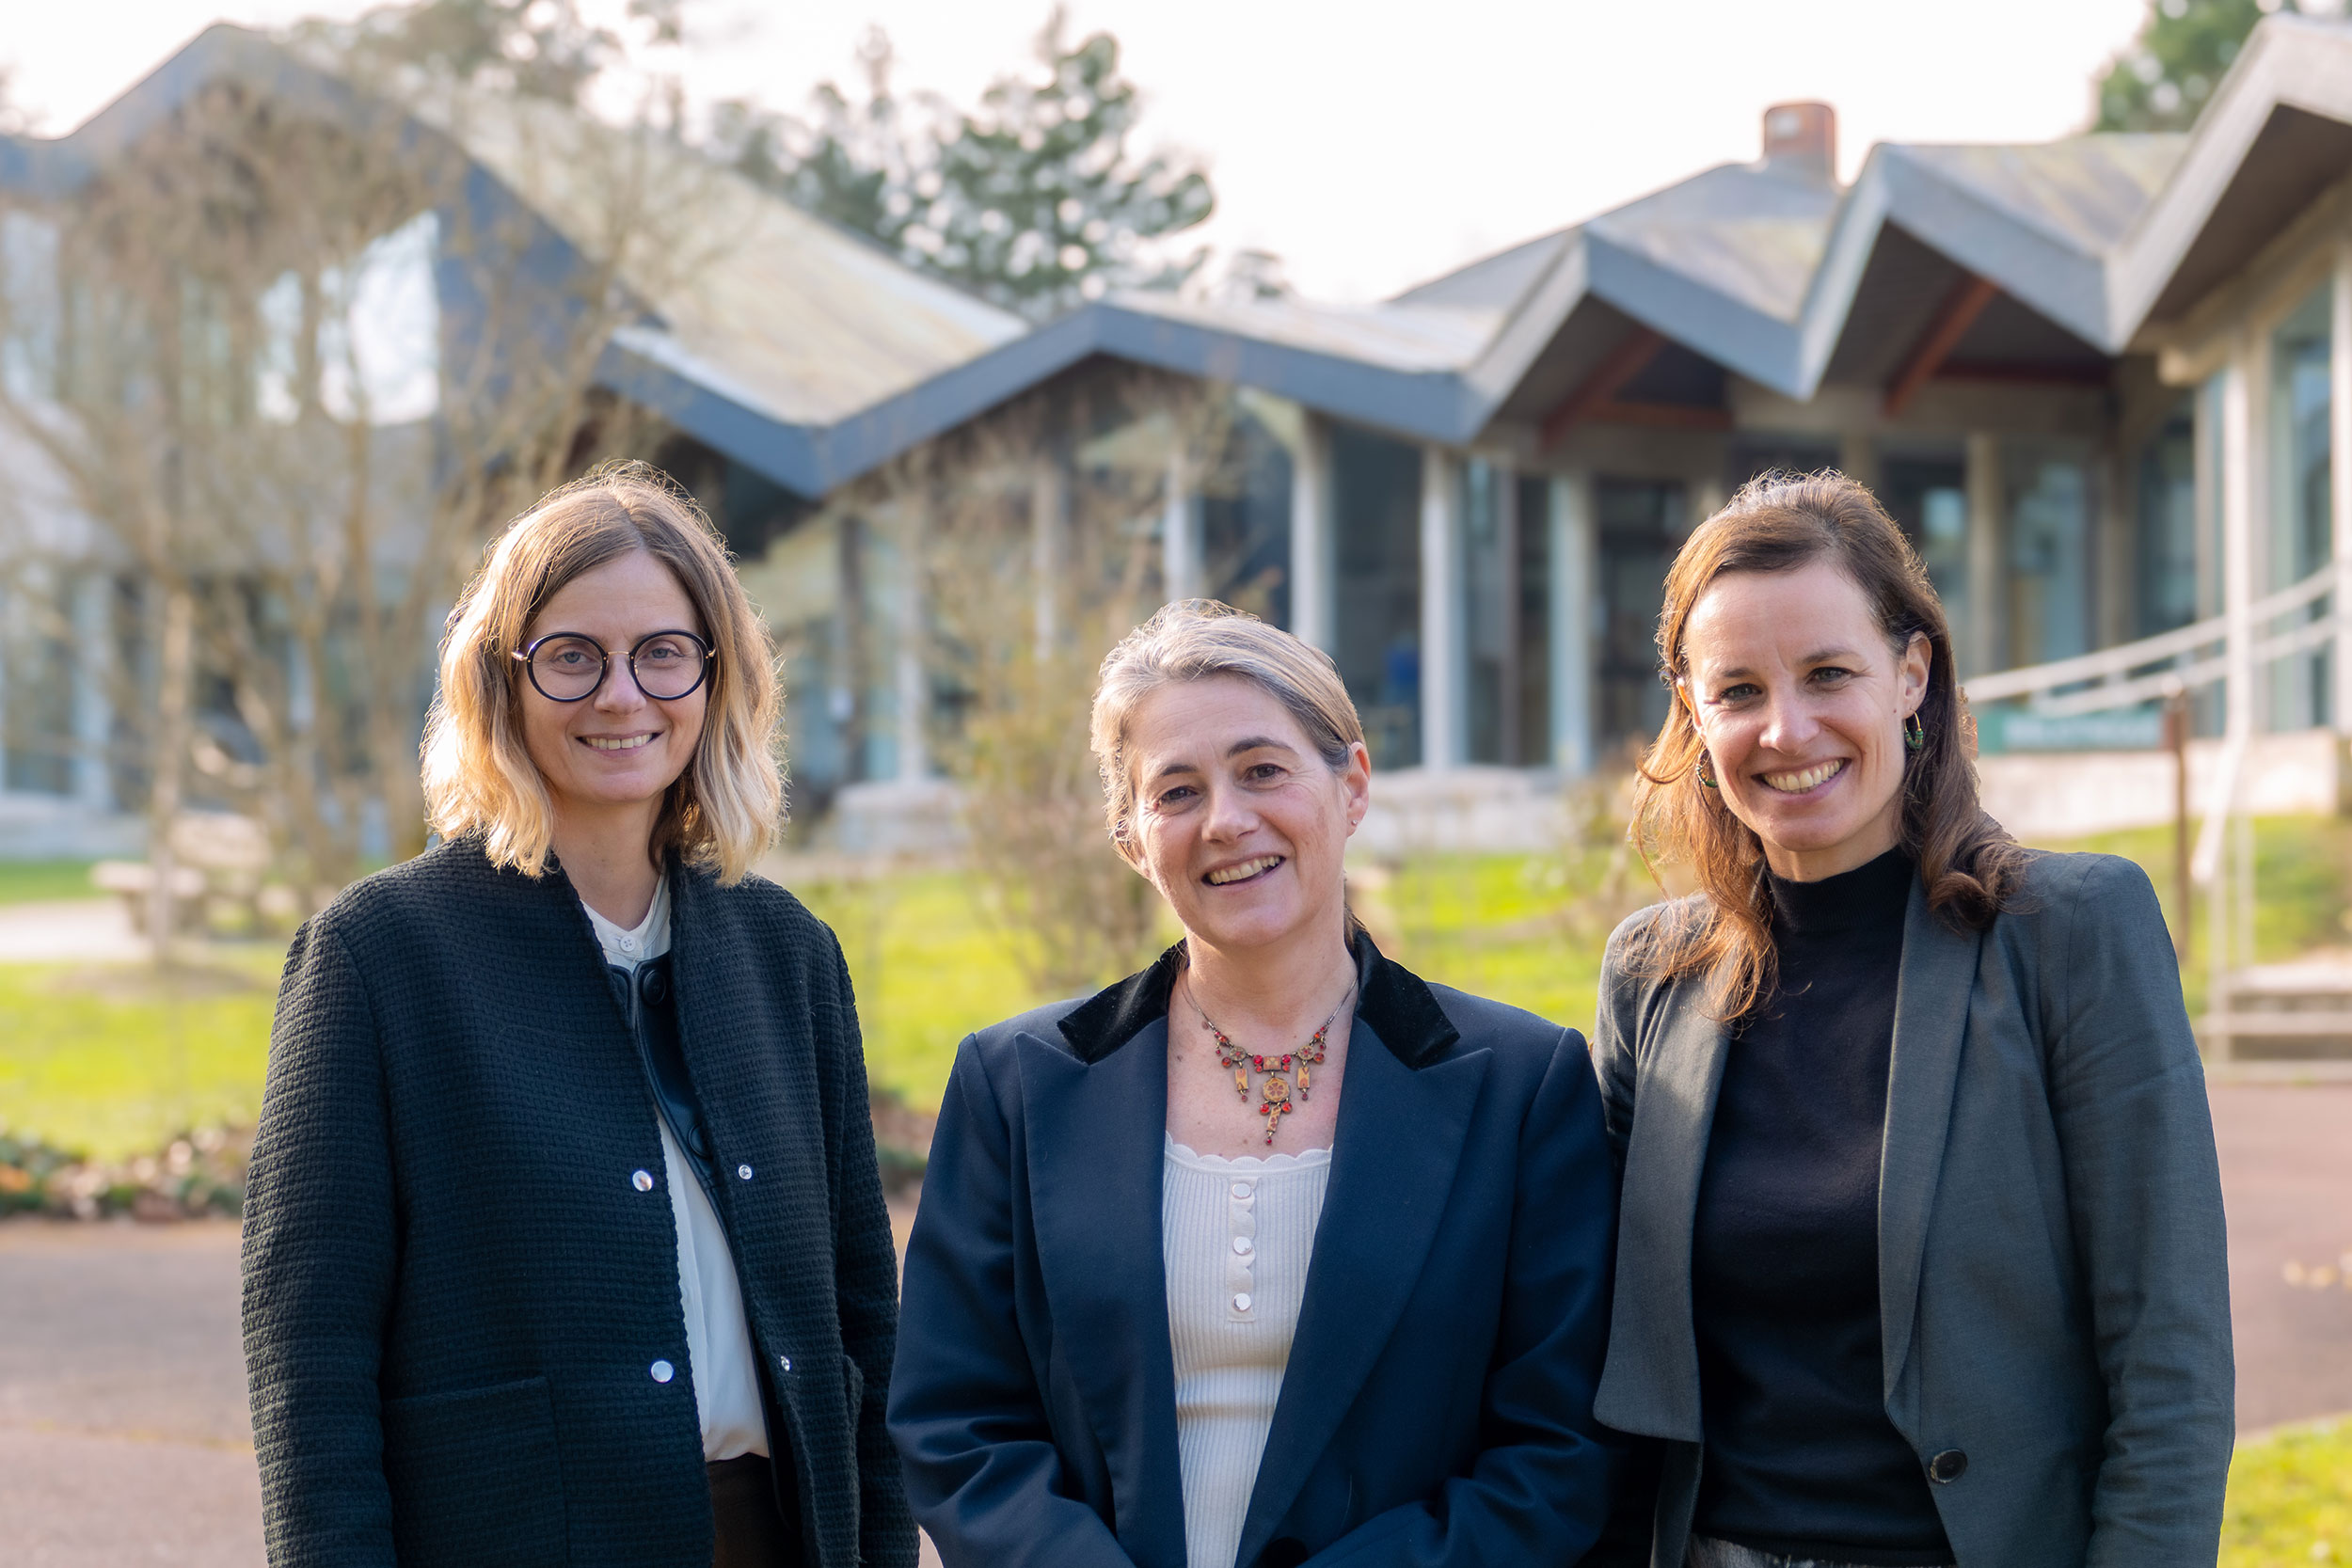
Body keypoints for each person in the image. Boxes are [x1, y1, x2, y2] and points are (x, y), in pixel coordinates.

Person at [241, 463, 914, 1568]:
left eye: (662, 651)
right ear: (500, 682)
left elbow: (862, 1320)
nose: (621, 695)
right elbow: (310, 1353)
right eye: (571, 656)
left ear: (715, 675)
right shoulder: (379, 956)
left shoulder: (787, 954)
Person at [889, 600, 1623, 1568]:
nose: (1227, 821)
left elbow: (1558, 1451)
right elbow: (956, 1423)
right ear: (1131, 837)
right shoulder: (1014, 1087)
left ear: (1352, 785)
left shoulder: (1524, 1088)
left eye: (1263, 770)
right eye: (1177, 791)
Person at [1592, 473, 2233, 1568]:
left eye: (1827, 672)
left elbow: (2168, 1356)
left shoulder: (2070, 930)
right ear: (1693, 713)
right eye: (1737, 689)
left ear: (1911, 673)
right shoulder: (1649, 975)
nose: (1786, 727)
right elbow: (1607, 1353)